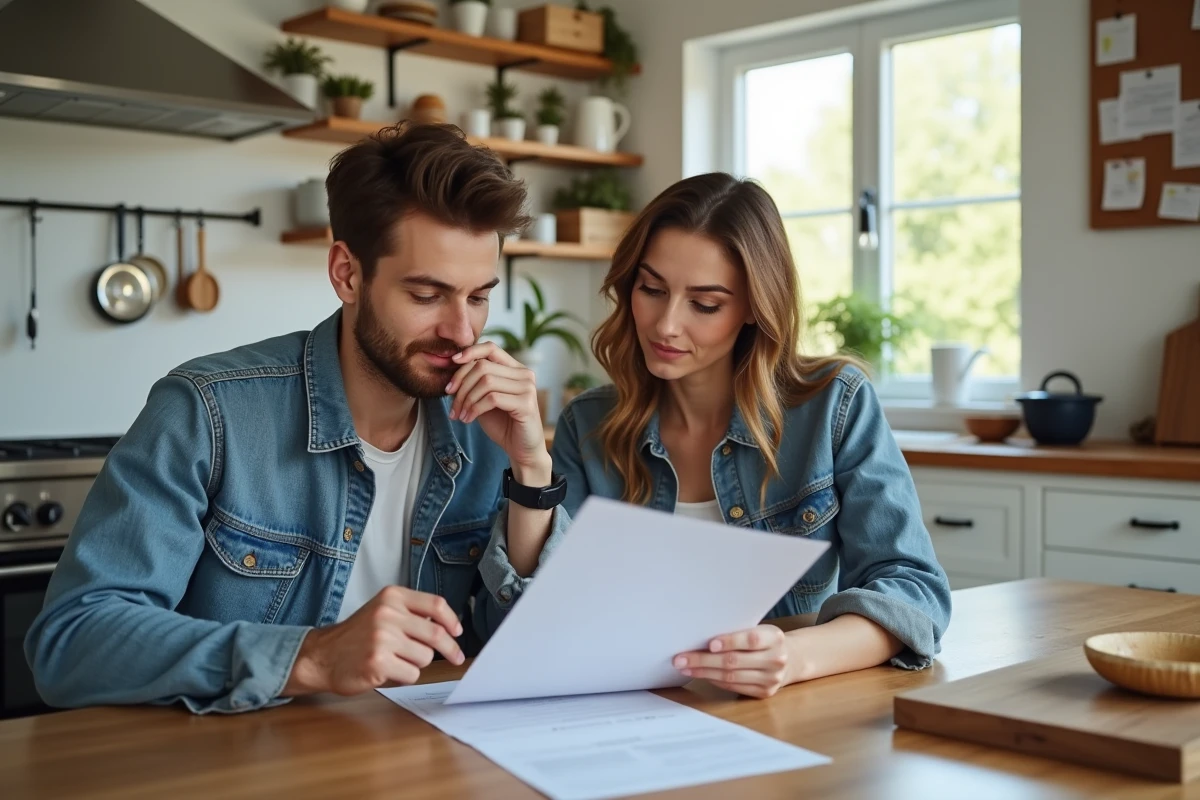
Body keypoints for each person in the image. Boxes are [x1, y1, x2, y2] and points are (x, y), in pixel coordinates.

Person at [26, 123, 565, 714]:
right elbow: (72, 644)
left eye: (478, 296)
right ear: (346, 274)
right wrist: (310, 656)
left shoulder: (483, 428)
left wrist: (531, 471)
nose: (462, 333)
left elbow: (525, 653)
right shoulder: (206, 411)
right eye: (426, 295)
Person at [501, 172, 952, 699]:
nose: (666, 324)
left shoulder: (834, 405)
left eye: (705, 304)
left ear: (754, 310)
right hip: (631, 716)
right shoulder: (590, 424)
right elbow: (530, 618)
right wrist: (532, 466)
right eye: (651, 289)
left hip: (791, 719)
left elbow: (914, 590)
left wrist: (793, 657)